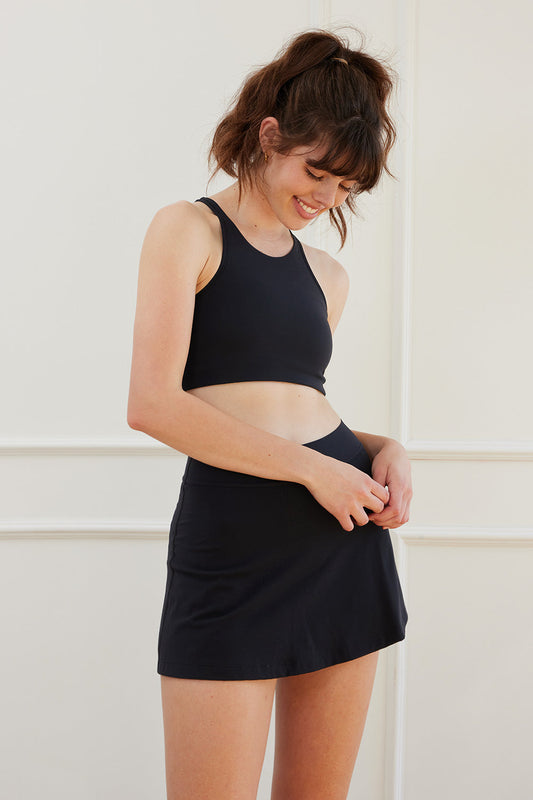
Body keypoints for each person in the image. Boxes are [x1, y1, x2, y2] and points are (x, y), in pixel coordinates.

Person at [127, 26, 412, 800]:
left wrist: (381, 447)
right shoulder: (187, 230)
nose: (327, 199)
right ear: (268, 134)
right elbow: (152, 404)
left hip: (341, 545)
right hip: (232, 546)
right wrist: (314, 471)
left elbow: (295, 405)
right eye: (317, 171)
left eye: (346, 187)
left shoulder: (327, 276)